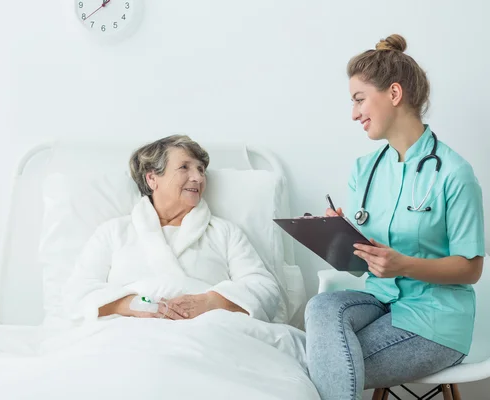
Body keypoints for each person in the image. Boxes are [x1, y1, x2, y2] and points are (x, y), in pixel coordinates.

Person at [305, 34, 486, 400]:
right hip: (380, 303)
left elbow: (471, 268)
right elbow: (363, 269)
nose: (354, 113)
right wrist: (341, 240)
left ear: (394, 94)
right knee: (321, 306)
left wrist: (403, 265)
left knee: (317, 365)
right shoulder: (365, 169)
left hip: (435, 320)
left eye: (359, 100)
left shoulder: (453, 173)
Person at [63, 134, 281, 323]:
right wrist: (132, 305)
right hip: (127, 337)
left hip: (208, 336)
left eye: (201, 170)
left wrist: (210, 301)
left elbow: (264, 289)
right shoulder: (113, 232)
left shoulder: (225, 233)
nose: (198, 178)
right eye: (184, 167)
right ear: (152, 178)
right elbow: (76, 293)